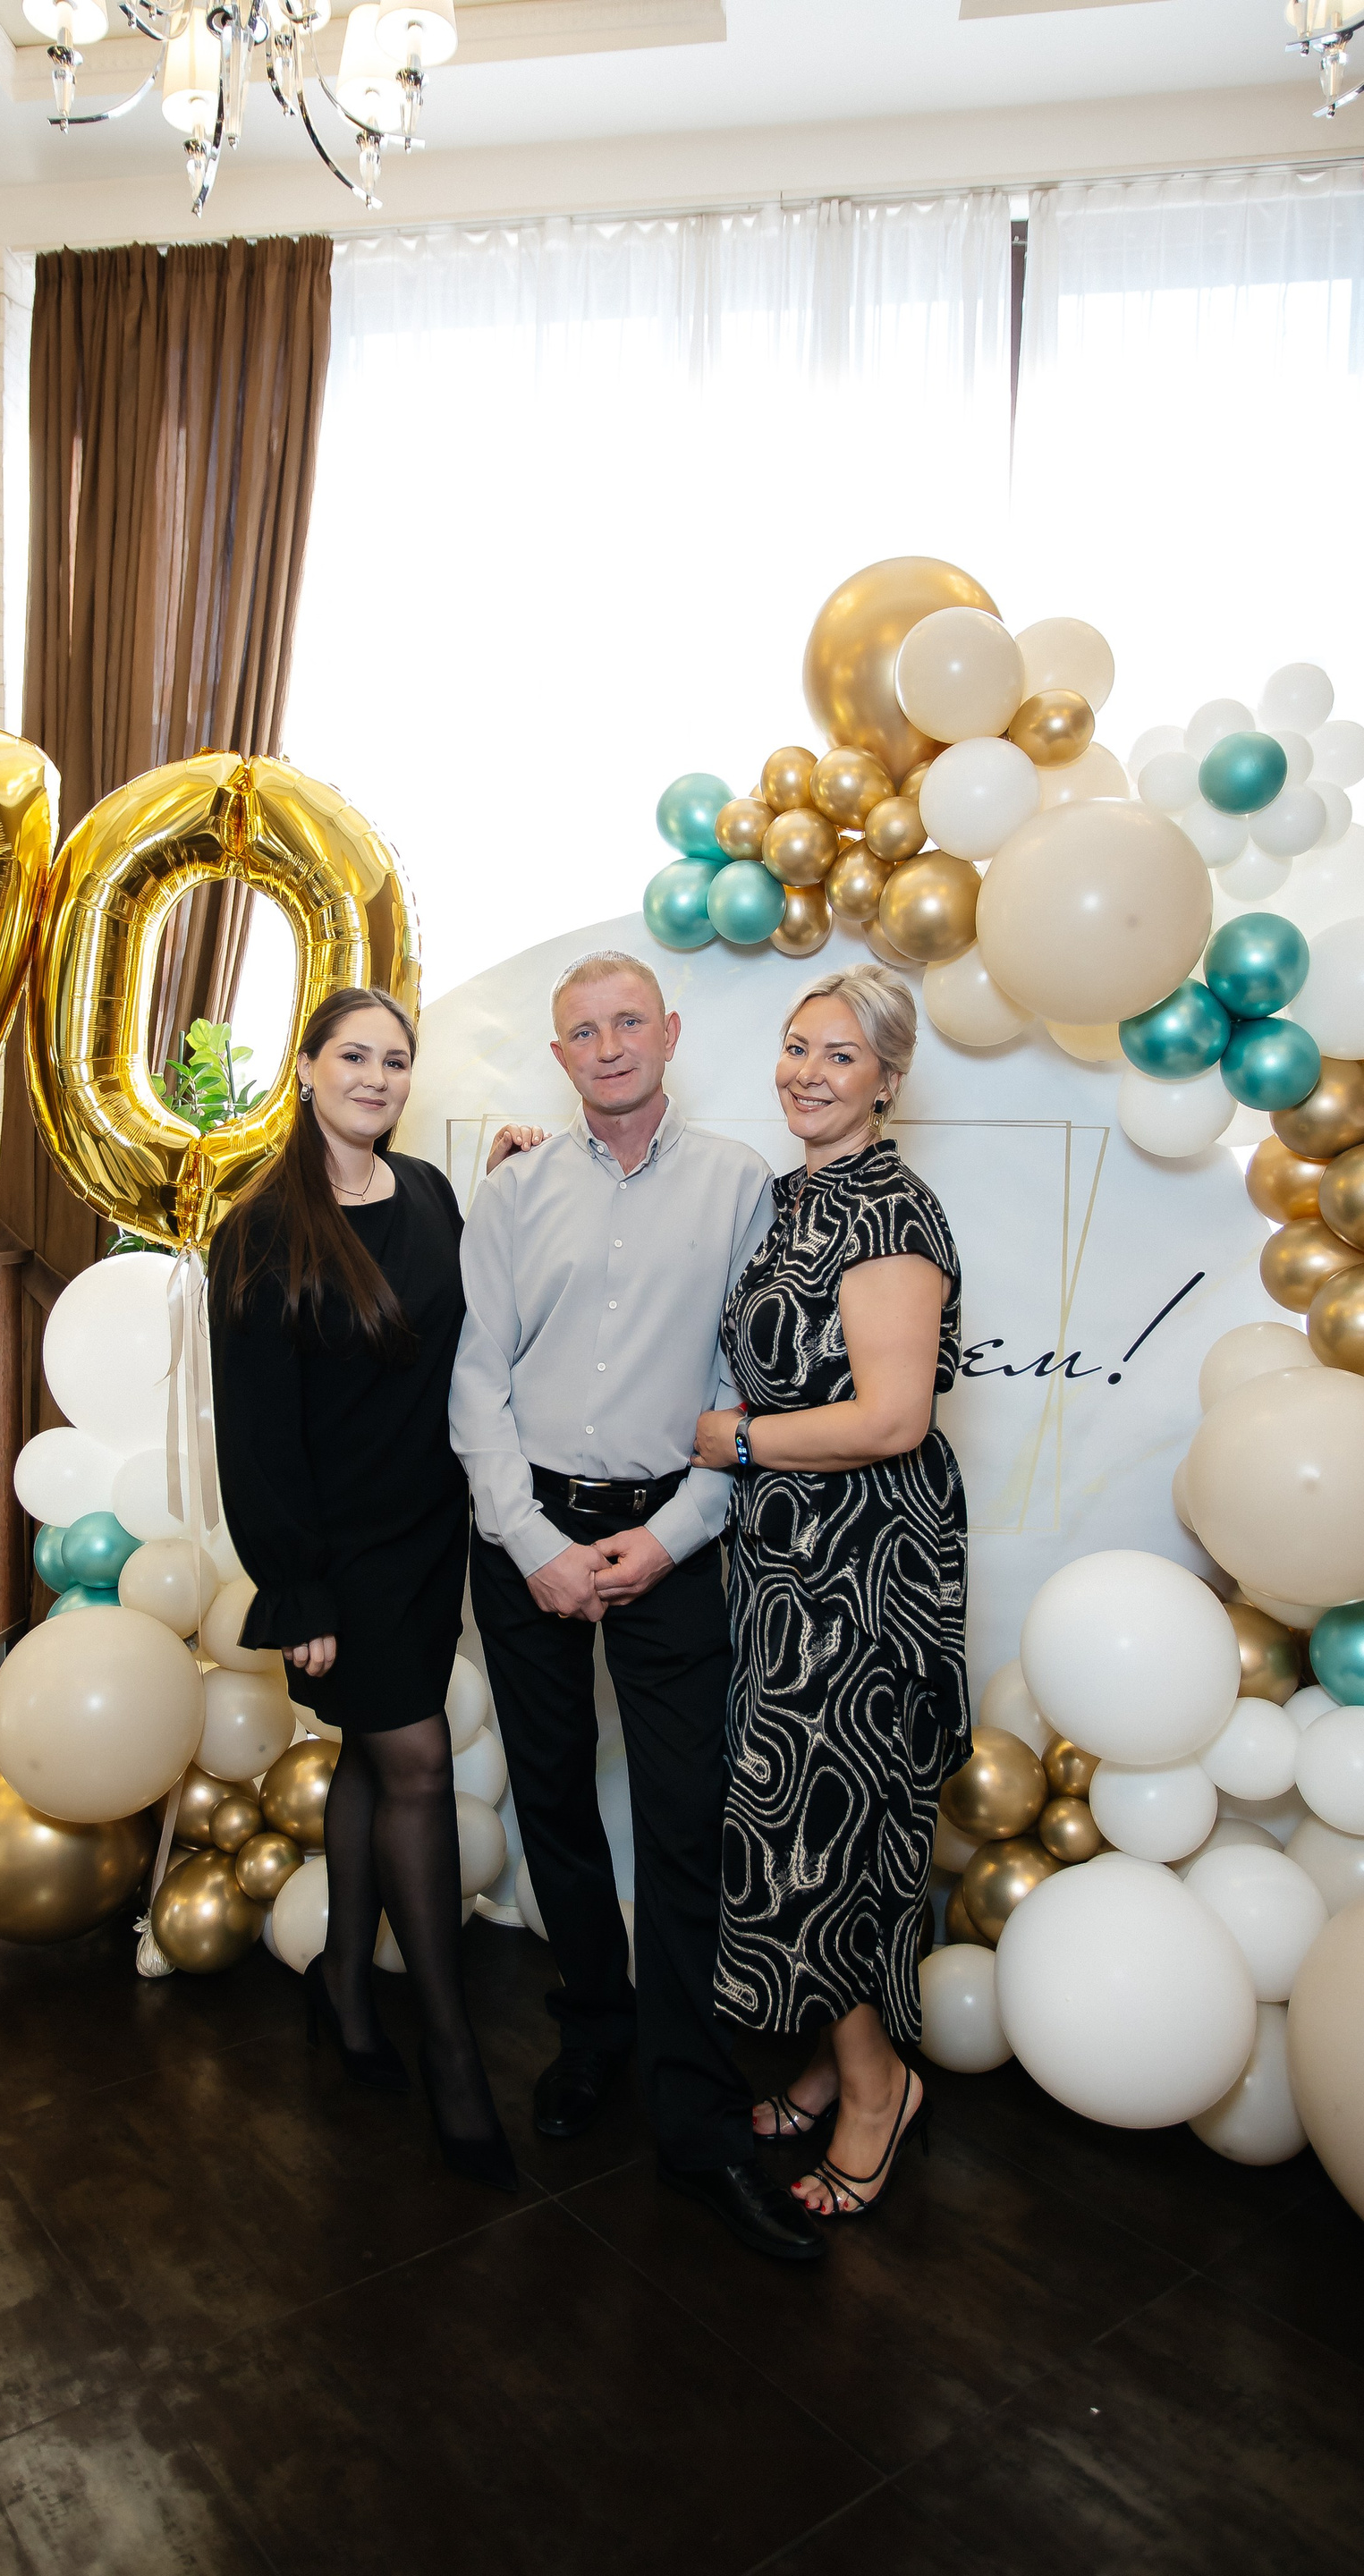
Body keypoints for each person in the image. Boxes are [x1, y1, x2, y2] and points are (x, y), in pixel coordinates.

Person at [451, 951, 825, 2263]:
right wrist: (532, 1542)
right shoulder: (512, 1193)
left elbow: (749, 1385)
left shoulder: (741, 1184)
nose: (607, 1047)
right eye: (581, 1032)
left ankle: (696, 2114)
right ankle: (595, 2029)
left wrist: (671, 1537)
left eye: (627, 1023)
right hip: (528, 1533)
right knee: (553, 1795)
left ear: (669, 1034)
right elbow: (477, 1380)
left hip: (677, 1526)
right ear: (559, 1056)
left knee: (683, 1818)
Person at [210, 985, 515, 2193]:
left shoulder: (429, 1193)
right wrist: (301, 1592)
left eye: (395, 1059)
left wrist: (502, 1190)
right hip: (342, 1554)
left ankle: (343, 1978)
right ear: (306, 1068)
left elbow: (454, 1323)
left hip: (430, 1530)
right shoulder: (260, 1231)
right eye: (354, 1055)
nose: (376, 1077)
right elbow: (257, 1437)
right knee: (420, 1766)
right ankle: (450, 2051)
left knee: (370, 1760)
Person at [693, 962, 970, 2221]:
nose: (808, 1072)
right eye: (798, 1046)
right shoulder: (797, 1194)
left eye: (841, 1055)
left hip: (862, 1572)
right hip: (788, 1564)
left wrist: (738, 1441)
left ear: (888, 1079)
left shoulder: (889, 1210)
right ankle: (829, 2061)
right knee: (799, 1818)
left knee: (828, 1837)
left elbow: (894, 1417)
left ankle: (877, 2092)